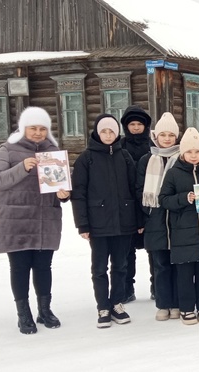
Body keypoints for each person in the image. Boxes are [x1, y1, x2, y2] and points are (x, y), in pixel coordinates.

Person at [0, 106, 70, 334]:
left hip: (45, 220)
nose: (37, 133)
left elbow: (58, 185)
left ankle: (45, 310)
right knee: (20, 268)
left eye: (42, 129)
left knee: (44, 268)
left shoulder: (53, 152)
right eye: (33, 128)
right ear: (24, 128)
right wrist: (22, 167)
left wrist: (63, 194)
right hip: (16, 220)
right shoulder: (8, 149)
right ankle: (23, 314)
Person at [72, 114, 141, 328]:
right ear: (97, 133)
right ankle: (103, 306)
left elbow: (134, 189)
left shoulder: (125, 156)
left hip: (124, 221)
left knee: (120, 265)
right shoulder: (86, 158)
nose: (108, 135)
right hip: (98, 223)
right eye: (104, 131)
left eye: (112, 131)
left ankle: (117, 303)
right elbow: (79, 192)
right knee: (99, 268)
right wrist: (82, 224)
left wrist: (138, 219)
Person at [158, 128, 199, 325]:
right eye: (189, 152)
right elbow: (164, 200)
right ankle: (186, 308)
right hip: (183, 232)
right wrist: (185, 198)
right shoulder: (174, 173)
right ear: (183, 153)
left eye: (197, 152)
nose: (193, 156)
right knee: (185, 274)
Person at [135, 113, 181, 321]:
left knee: (178, 264)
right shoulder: (147, 160)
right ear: (156, 137)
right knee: (160, 264)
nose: (167, 139)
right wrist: (147, 215)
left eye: (171, 135)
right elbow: (138, 190)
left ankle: (178, 303)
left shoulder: (182, 158)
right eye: (163, 135)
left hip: (178, 219)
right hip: (155, 219)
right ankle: (163, 304)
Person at [120, 105, 153, 303]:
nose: (135, 128)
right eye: (131, 124)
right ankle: (126, 287)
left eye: (139, 124)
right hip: (127, 203)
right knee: (126, 250)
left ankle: (157, 285)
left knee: (153, 247)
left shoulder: (152, 146)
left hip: (149, 201)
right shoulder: (120, 146)